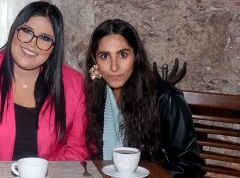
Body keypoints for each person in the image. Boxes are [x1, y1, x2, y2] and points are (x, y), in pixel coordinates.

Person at [0, 1, 88, 161]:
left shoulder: (74, 83)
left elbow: (77, 148)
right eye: (27, 31)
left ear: (55, 47)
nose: (32, 43)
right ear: (14, 30)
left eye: (45, 38)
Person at [84, 19, 202, 177]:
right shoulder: (94, 97)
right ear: (94, 60)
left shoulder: (166, 99)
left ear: (135, 56)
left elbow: (190, 167)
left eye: (123, 55)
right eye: (105, 56)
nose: (114, 67)